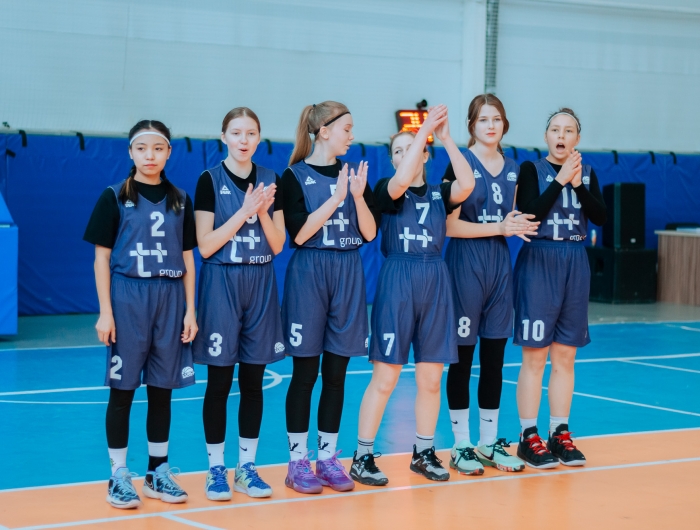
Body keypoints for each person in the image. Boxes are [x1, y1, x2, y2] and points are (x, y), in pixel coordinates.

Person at [350, 105, 475, 486]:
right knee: (385, 377)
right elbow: (403, 179)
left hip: (435, 278)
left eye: (413, 149)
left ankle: (423, 452)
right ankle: (362, 455)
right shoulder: (386, 190)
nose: (404, 155)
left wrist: (446, 138)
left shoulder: (440, 193)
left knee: (431, 379)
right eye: (397, 151)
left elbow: (468, 184)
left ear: (426, 155)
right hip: (398, 280)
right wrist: (422, 131)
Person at [84, 120, 197, 509]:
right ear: (131, 152)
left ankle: (156, 472)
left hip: (170, 297)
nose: (150, 155)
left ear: (169, 153)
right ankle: (118, 474)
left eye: (158, 148)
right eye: (142, 148)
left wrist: (191, 311)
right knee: (123, 390)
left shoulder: (180, 198)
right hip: (128, 296)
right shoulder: (114, 196)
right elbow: (101, 258)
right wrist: (105, 312)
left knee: (162, 390)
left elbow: (188, 259)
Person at [281, 101, 381, 494]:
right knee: (305, 374)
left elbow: (370, 234)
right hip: (310, 271)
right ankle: (297, 462)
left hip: (347, 271)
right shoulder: (293, 176)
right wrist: (336, 198)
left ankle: (326, 458)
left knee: (336, 374)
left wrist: (357, 196)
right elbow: (298, 235)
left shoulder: (354, 176)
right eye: (347, 128)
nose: (352, 136)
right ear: (324, 131)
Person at [193, 107, 286, 500]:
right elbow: (205, 246)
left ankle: (246, 467)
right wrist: (245, 212)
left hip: (261, 281)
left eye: (250, 133)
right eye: (236, 132)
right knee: (218, 382)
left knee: (253, 381)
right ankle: (216, 468)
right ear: (224, 137)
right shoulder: (208, 180)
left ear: (259, 138)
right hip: (222, 282)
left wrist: (262, 213)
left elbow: (278, 245)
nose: (243, 140)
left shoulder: (271, 179)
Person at [443, 94, 538, 475]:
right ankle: (460, 444)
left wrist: (514, 225)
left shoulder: (513, 167)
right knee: (463, 358)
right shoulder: (460, 162)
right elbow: (449, 226)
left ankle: (488, 442)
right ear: (472, 125)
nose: (491, 125)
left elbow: (513, 219)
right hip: (465, 264)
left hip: (499, 265)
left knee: (495, 359)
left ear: (504, 124)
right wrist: (499, 226)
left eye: (496, 119)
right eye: (483, 119)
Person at [514, 108, 607, 468]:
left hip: (575, 259)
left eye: (569, 130)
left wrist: (578, 183)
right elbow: (530, 212)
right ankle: (528, 436)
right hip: (541, 259)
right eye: (555, 129)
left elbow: (600, 217)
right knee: (535, 355)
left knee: (565, 355)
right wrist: (561, 180)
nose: (561, 135)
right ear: (546, 136)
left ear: (577, 139)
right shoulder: (530, 169)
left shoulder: (588, 173)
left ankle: (559, 432)